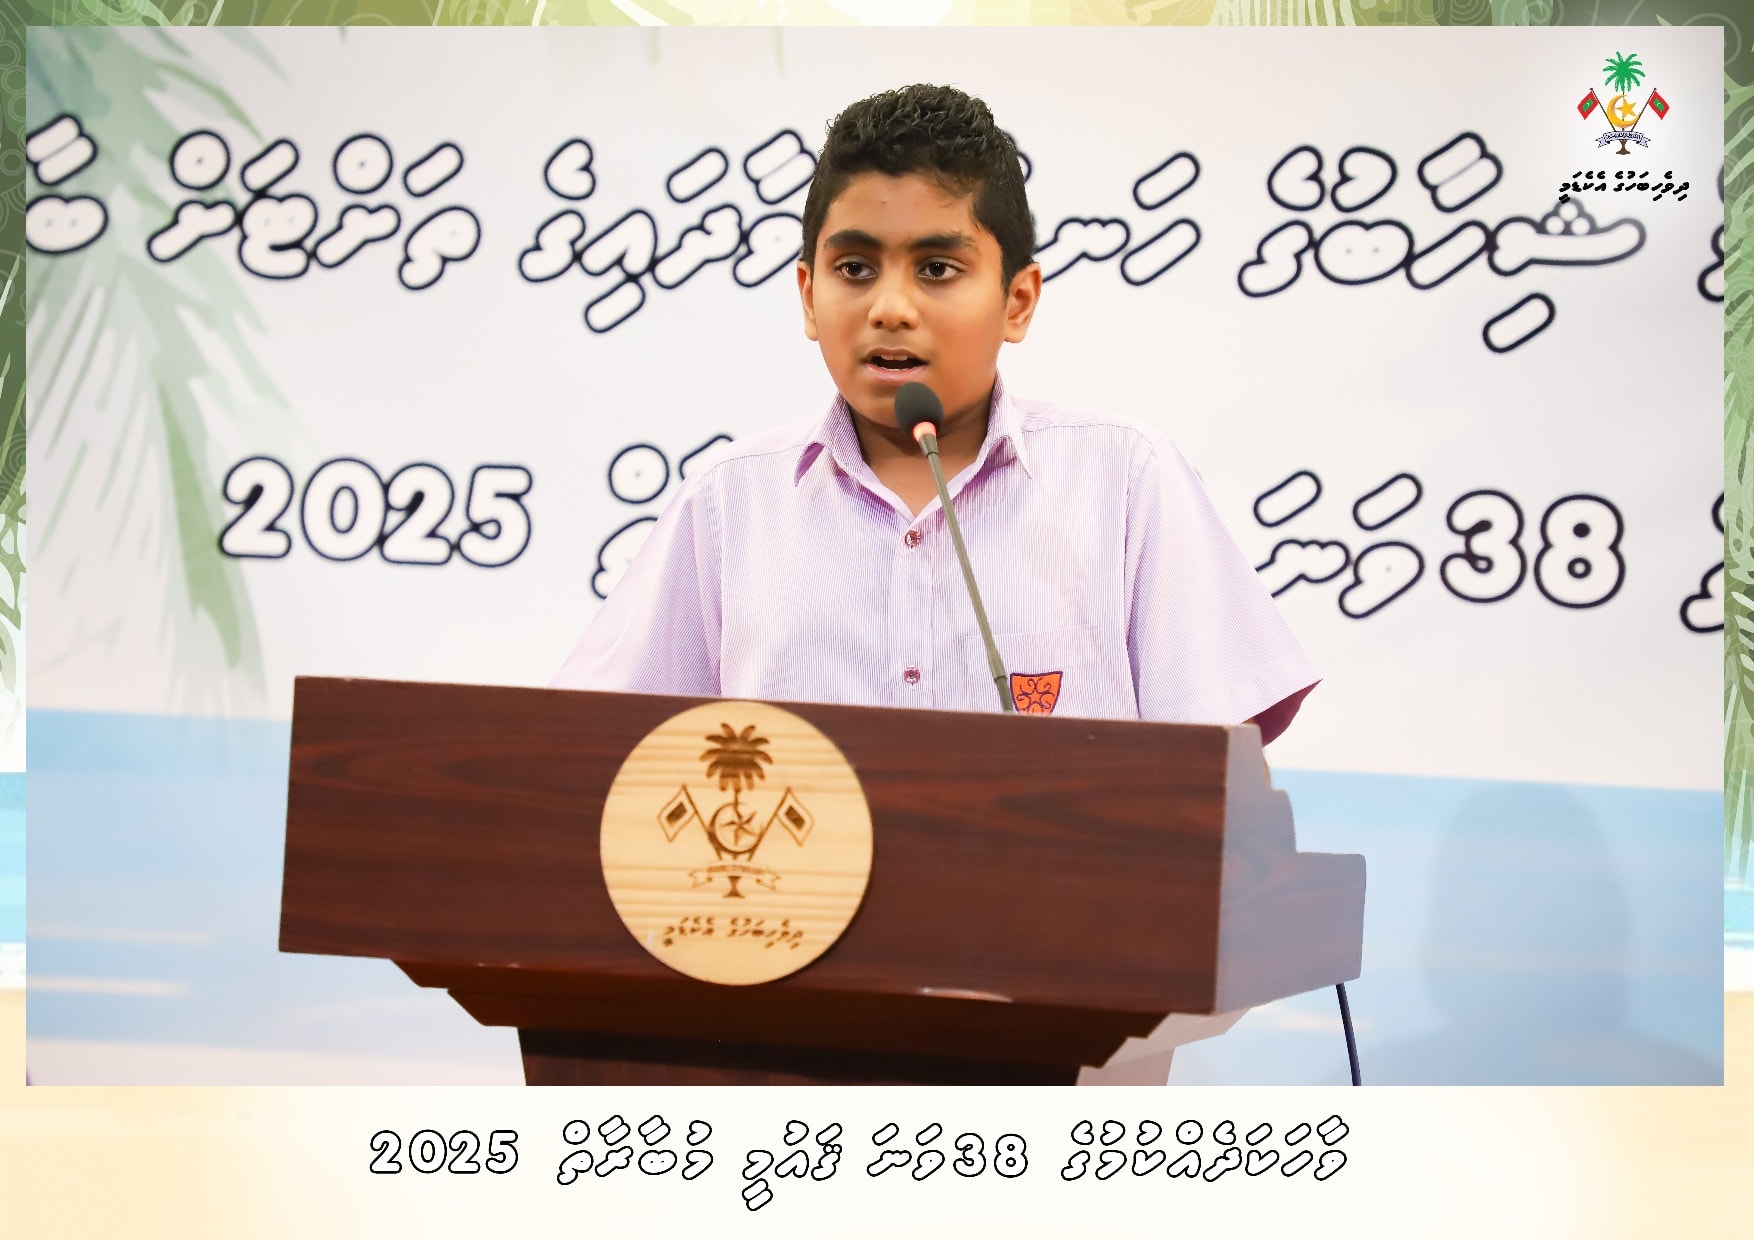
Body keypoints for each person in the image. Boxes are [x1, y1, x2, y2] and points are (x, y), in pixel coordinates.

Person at [555, 83, 1317, 741]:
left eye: (938, 268)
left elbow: (1217, 771)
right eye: (855, 268)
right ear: (809, 297)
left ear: (1017, 301)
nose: (891, 307)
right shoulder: (730, 501)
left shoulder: (1127, 481)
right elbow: (601, 750)